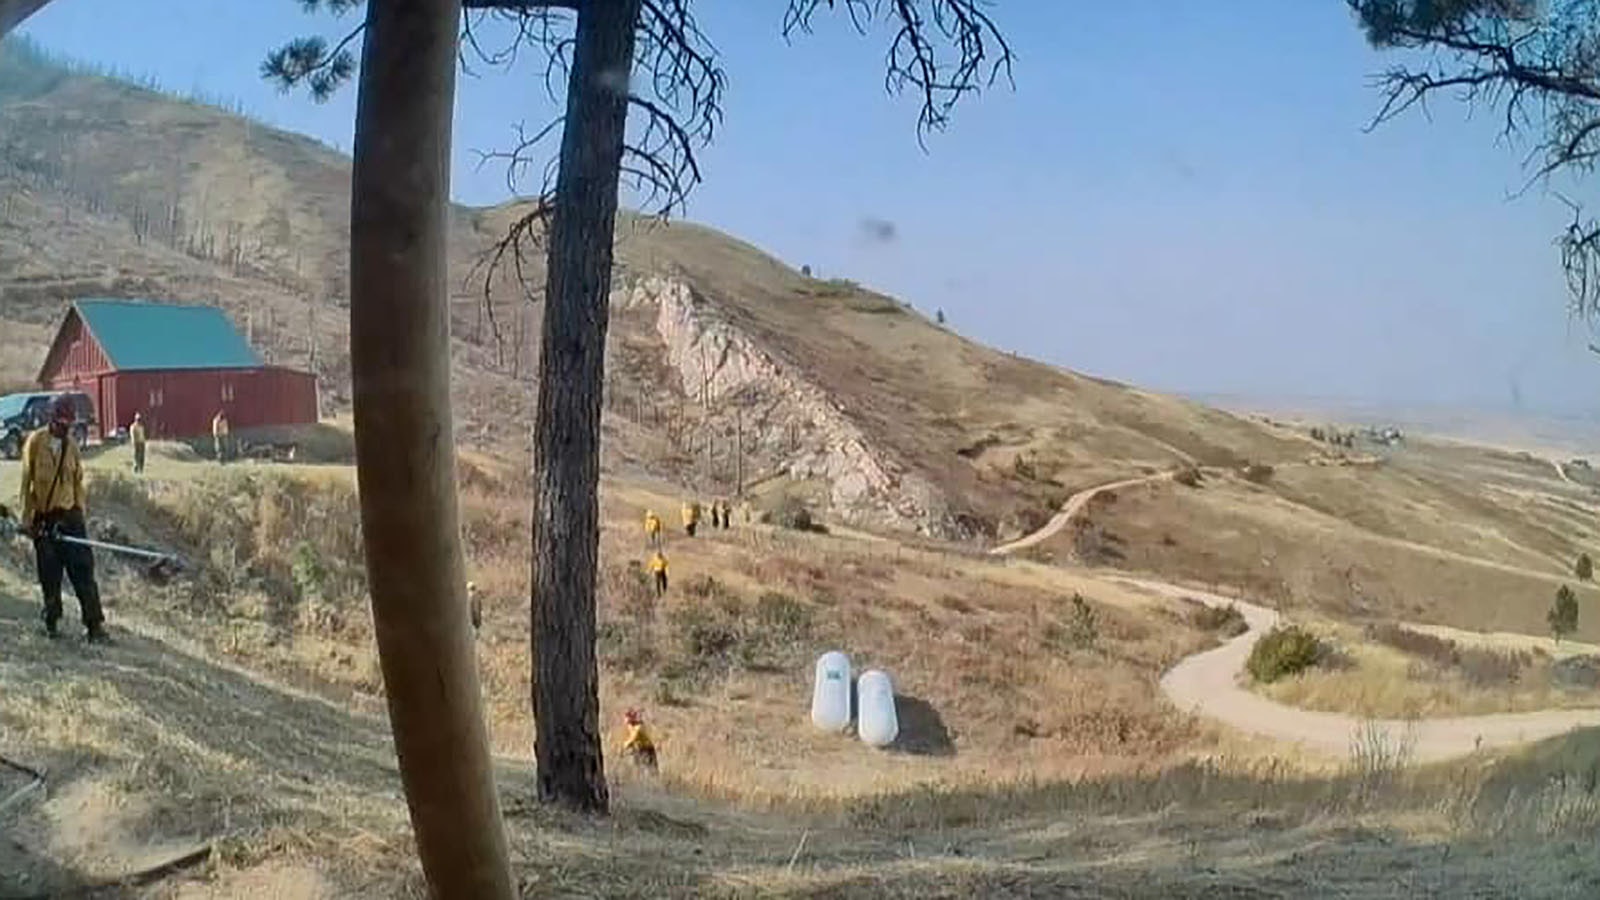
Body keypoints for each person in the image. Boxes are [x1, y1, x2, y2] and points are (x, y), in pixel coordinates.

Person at [19, 397, 108, 643]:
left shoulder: (72, 446)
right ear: (51, 418)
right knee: (50, 575)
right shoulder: (36, 442)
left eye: (68, 424)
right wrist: (27, 520)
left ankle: (94, 626)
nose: (65, 428)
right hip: (45, 519)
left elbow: (78, 482)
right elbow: (26, 484)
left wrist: (80, 511)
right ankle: (51, 623)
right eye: (61, 423)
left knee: (84, 572)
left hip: (71, 517)